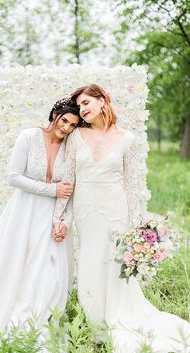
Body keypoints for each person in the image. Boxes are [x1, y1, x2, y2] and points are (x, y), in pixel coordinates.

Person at [53, 84, 190, 353]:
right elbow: (68, 180)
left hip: (116, 214)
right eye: (79, 106)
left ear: (103, 101)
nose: (82, 109)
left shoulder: (128, 139)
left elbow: (132, 186)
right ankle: (96, 327)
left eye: (86, 103)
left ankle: (116, 322)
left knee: (114, 268)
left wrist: (139, 227)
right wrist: (59, 216)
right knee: (90, 266)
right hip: (86, 214)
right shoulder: (76, 136)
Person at [0, 97, 82, 350]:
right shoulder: (29, 137)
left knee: (48, 272)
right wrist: (51, 189)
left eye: (73, 125)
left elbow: (71, 190)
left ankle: (37, 320)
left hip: (52, 216)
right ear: (54, 114)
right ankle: (2, 313)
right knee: (12, 265)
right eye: (64, 120)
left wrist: (64, 222)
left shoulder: (72, 150)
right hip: (23, 213)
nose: (66, 128)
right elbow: (13, 178)